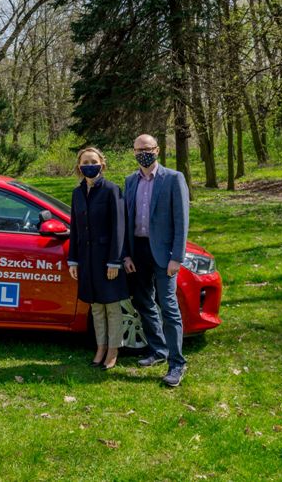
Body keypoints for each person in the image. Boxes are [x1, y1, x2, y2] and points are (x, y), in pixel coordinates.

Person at [123, 134, 189, 387]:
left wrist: (177, 257)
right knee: (143, 301)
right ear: (134, 152)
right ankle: (158, 349)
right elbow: (127, 220)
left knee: (169, 306)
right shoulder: (130, 181)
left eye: (148, 148)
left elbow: (181, 221)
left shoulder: (173, 179)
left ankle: (177, 363)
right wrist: (126, 254)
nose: (143, 153)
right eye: (139, 149)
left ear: (157, 150)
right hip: (138, 250)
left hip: (163, 254)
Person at [67, 147, 128, 370]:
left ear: (102, 163)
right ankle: (100, 347)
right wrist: (73, 260)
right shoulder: (77, 193)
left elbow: (119, 227)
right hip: (86, 259)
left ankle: (113, 350)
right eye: (85, 162)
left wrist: (115, 261)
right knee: (95, 307)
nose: (89, 165)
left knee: (111, 306)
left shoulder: (112, 190)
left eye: (93, 161)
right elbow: (75, 228)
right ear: (79, 166)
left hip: (106, 259)